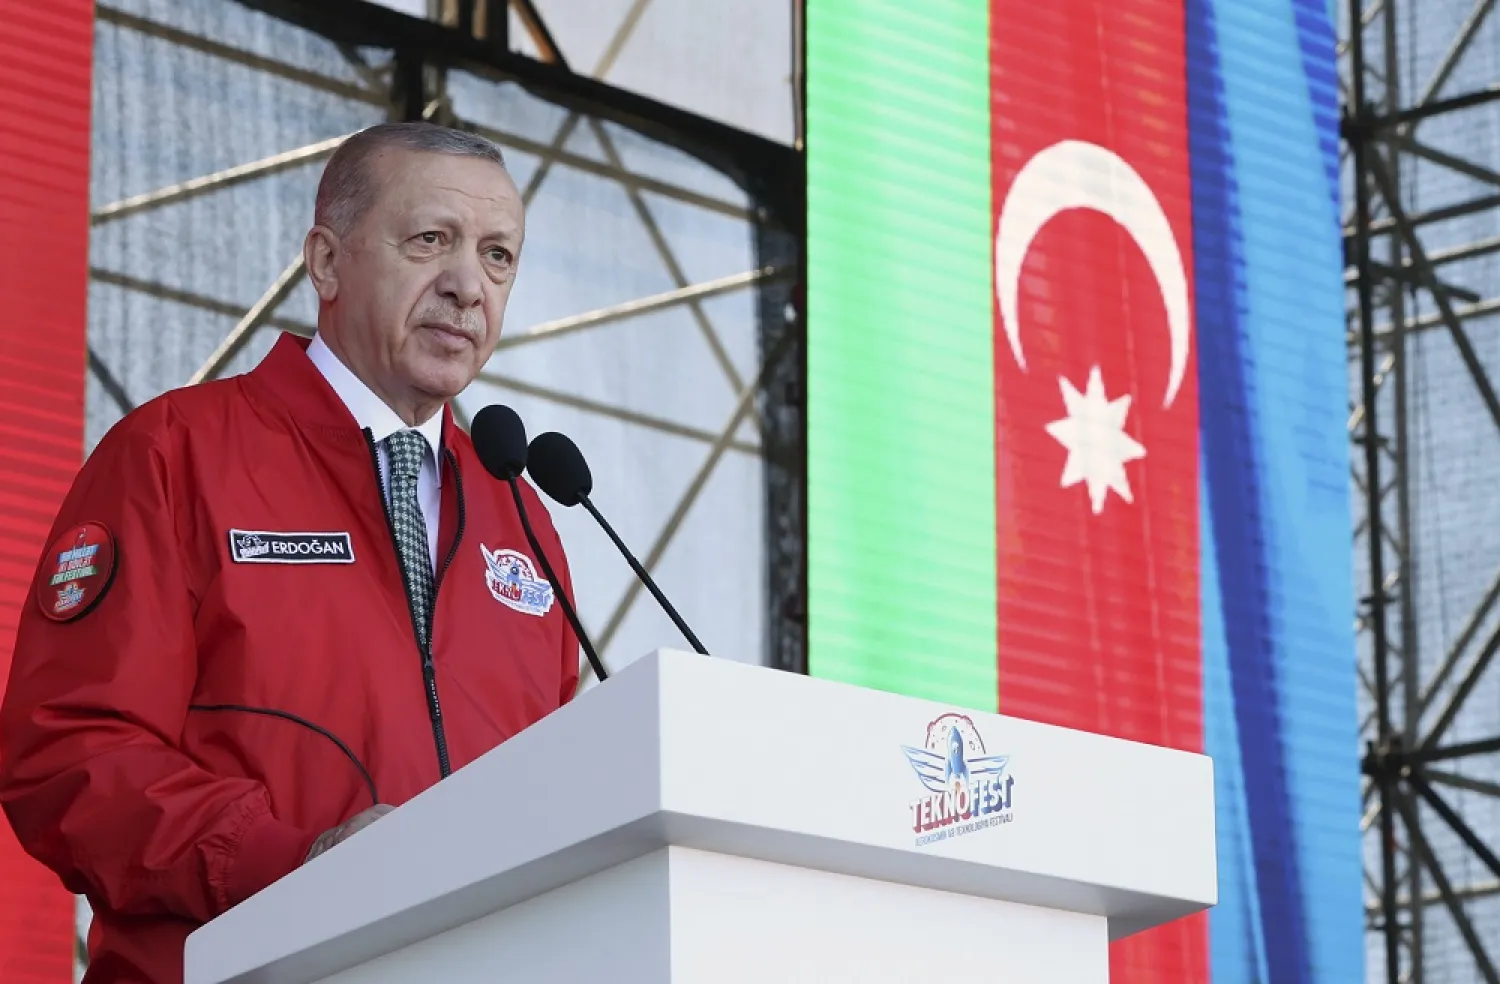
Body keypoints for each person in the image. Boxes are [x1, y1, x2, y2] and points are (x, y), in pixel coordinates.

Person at [0, 121, 581, 984]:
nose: (468, 286)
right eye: (431, 240)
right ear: (326, 262)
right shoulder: (177, 452)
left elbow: (557, 797)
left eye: (499, 257)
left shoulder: (522, 517)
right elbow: (70, 750)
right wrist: (291, 861)